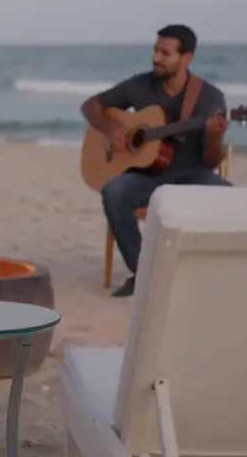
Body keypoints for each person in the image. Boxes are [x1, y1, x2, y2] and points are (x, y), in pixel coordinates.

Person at [80, 24, 231, 297]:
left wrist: (214, 138)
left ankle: (216, 272)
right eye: (155, 50)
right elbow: (90, 106)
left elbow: (210, 161)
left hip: (191, 175)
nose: (156, 57)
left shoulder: (209, 97)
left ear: (186, 58)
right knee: (113, 190)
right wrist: (114, 130)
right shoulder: (140, 85)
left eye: (165, 53)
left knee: (229, 197)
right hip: (146, 177)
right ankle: (143, 272)